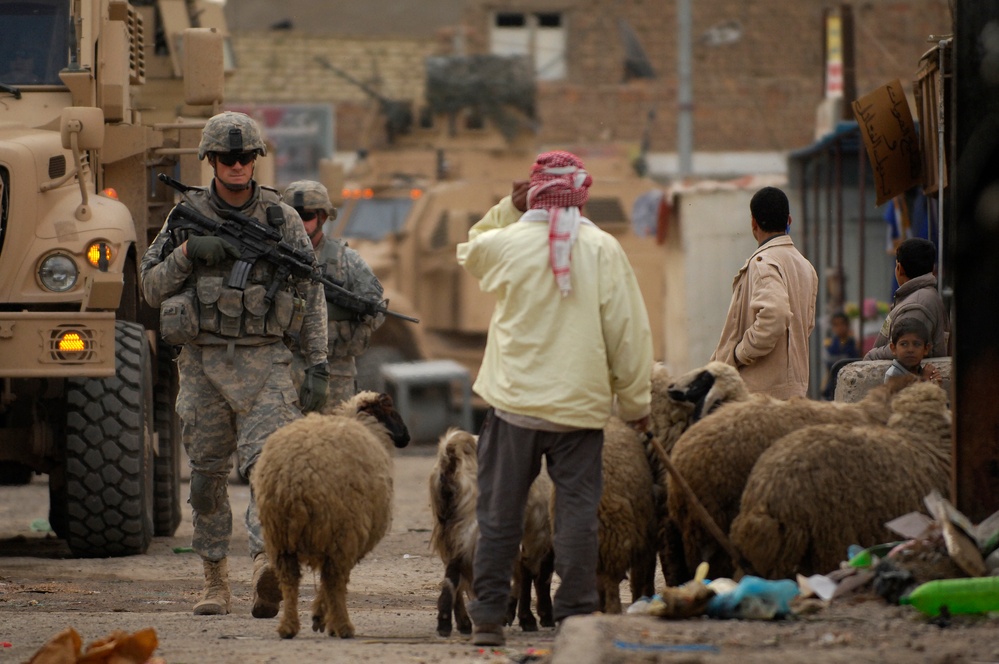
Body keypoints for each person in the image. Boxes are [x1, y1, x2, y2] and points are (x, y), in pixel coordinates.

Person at [456, 151, 653, 646]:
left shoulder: (508, 243)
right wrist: (635, 406)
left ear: (536, 192)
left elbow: (471, 249)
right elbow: (628, 333)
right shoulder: (604, 249)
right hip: (579, 411)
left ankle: (487, 619)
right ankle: (575, 616)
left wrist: (507, 207)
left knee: (499, 514)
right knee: (578, 516)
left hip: (514, 405)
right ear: (580, 193)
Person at [139, 111, 328, 618]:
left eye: (246, 156)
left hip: (265, 364)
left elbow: (310, 289)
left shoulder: (279, 217)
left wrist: (318, 364)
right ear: (210, 161)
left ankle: (264, 566)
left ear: (256, 160)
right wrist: (185, 254)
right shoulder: (185, 215)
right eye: (227, 156)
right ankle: (214, 581)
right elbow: (150, 288)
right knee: (205, 479)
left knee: (266, 473)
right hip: (201, 365)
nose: (238, 165)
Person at [281, 180, 385, 406]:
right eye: (293, 216)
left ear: (323, 217)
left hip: (335, 374)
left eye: (306, 216)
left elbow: (376, 312)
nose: (299, 223)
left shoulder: (347, 261)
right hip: (283, 372)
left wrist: (336, 308)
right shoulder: (274, 257)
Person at [709, 186, 818, 399]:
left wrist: (739, 354)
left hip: (762, 398)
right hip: (794, 392)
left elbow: (776, 316)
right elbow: (806, 326)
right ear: (789, 220)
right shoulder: (805, 266)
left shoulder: (764, 263)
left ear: (753, 223)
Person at [863, 237, 949, 361]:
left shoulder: (917, 305)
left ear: (899, 268)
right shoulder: (921, 297)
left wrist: (871, 357)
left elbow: (904, 349)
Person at [884, 318, 941, 384]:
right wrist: (925, 381)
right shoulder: (893, 375)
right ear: (893, 348)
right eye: (904, 344)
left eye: (917, 344)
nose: (910, 350)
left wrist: (935, 385)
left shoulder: (919, 372)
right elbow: (910, 394)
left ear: (926, 349)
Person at [821, 311, 859, 400]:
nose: (839, 328)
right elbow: (828, 367)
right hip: (833, 383)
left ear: (847, 325)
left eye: (842, 324)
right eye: (836, 325)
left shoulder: (853, 343)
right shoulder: (830, 344)